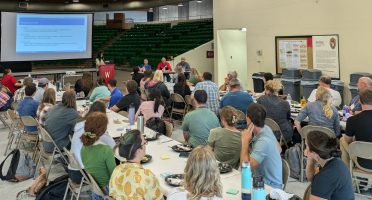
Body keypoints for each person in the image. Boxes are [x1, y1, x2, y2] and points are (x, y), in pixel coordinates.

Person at [70, 101, 115, 184]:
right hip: (82, 174)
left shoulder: (81, 125)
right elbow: (114, 147)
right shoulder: (97, 129)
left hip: (73, 169)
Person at [109, 130, 163, 199]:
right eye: (144, 143)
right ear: (138, 151)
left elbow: (113, 194)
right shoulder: (146, 176)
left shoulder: (116, 170)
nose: (145, 144)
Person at [240, 103, 282, 189]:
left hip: (269, 187)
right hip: (262, 181)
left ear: (248, 118)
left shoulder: (263, 141)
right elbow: (279, 149)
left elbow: (245, 169)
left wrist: (245, 142)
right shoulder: (266, 128)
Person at [305, 130, 354, 200]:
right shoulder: (335, 161)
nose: (304, 149)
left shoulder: (325, 176)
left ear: (314, 153)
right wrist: (310, 160)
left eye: (306, 146)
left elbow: (318, 181)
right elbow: (312, 179)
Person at [81, 112, 116, 200]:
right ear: (103, 130)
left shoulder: (83, 147)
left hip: (96, 190)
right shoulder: (106, 150)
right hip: (108, 191)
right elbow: (114, 176)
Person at [341, 89, 372, 169]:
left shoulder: (352, 120)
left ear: (360, 102)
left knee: (342, 140)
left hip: (362, 163)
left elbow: (348, 140)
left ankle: (347, 172)